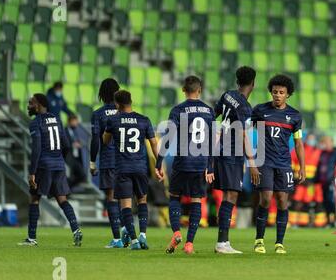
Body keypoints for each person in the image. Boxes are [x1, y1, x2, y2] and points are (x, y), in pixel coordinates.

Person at [155, 76, 215, 255]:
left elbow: (168, 137)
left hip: (182, 162)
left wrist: (159, 162)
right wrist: (210, 166)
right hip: (200, 163)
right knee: (196, 200)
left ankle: (176, 232)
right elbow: (213, 141)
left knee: (174, 197)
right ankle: (189, 243)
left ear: (183, 90)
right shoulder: (208, 111)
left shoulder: (178, 110)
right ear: (200, 90)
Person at [18, 93, 82, 247]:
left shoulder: (35, 123)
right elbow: (66, 144)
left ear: (39, 105)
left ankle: (32, 238)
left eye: (31, 103)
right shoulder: (57, 119)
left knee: (34, 198)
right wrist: (59, 159)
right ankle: (76, 230)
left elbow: (37, 148)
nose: (29, 105)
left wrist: (32, 172)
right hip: (58, 165)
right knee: (63, 200)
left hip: (43, 166)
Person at [251, 74, 305, 254]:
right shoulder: (259, 111)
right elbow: (245, 131)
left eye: (281, 92)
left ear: (288, 94)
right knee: (265, 199)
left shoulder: (295, 116)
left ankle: (279, 242)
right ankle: (259, 240)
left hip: (283, 164)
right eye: (274, 92)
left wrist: (302, 167)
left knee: (282, 201)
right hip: (264, 162)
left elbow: (298, 143)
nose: (277, 95)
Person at [103, 90, 159, 250]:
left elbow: (105, 141)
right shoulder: (144, 120)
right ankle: (143, 235)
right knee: (142, 201)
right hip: (141, 168)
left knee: (125, 205)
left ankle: (134, 241)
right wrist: (159, 163)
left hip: (123, 168)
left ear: (117, 104)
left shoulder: (113, 120)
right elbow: (154, 144)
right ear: (131, 101)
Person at [213, 66, 260, 254]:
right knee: (231, 195)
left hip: (221, 151)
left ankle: (222, 241)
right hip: (232, 153)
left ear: (237, 81)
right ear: (253, 84)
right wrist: (253, 163)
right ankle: (222, 243)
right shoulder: (245, 107)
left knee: (228, 195)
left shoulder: (227, 95)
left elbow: (213, 114)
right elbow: (243, 135)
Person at [90, 78, 121, 248]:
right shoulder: (124, 112)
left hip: (109, 160)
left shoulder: (98, 114)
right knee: (124, 198)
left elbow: (95, 140)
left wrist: (92, 161)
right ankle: (130, 236)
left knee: (111, 198)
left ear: (101, 93)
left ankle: (117, 238)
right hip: (125, 161)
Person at [316, 136, 336, 227]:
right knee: (325, 201)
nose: (325, 144)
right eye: (324, 142)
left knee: (331, 201)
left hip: (331, 181)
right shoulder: (322, 154)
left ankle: (333, 220)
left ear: (331, 142)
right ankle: (328, 220)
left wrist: (335, 179)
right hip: (323, 181)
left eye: (326, 142)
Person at [65, 114, 87, 189]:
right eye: (75, 122)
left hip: (76, 158)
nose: (76, 123)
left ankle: (67, 189)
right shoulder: (64, 131)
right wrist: (72, 144)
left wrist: (79, 143)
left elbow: (76, 141)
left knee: (82, 176)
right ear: (69, 122)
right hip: (68, 157)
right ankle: (66, 191)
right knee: (70, 176)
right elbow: (64, 143)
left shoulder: (75, 132)